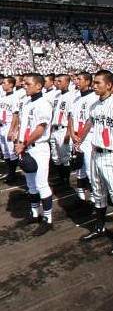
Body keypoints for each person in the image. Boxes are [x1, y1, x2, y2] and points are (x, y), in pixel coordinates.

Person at [78, 70, 113, 255]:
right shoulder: (94, 105)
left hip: (112, 154)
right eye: (94, 82)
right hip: (95, 153)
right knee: (98, 193)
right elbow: (89, 123)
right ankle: (99, 227)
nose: (95, 85)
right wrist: (79, 139)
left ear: (109, 85)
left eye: (98, 83)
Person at [15, 73, 54, 236]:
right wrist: (19, 142)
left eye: (28, 83)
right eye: (24, 83)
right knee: (30, 184)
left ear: (39, 86)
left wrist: (24, 143)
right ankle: (34, 213)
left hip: (38, 147)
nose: (25, 85)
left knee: (41, 184)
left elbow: (40, 128)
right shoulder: (27, 102)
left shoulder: (44, 103)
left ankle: (48, 219)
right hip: (26, 147)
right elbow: (24, 126)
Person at [68, 71, 98, 206]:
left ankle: (93, 197)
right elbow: (71, 117)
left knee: (90, 169)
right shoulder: (75, 98)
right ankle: (80, 194)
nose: (76, 81)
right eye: (76, 79)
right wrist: (73, 135)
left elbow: (90, 121)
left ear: (87, 81)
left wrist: (80, 137)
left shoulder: (93, 98)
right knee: (78, 167)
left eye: (79, 79)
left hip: (87, 137)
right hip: (76, 137)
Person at [51, 74, 72, 188]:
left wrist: (68, 133)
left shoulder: (70, 96)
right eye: (57, 81)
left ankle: (66, 180)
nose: (57, 83)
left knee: (65, 157)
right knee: (55, 157)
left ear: (67, 83)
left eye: (60, 81)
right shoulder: (57, 95)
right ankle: (61, 178)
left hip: (63, 129)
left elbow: (70, 116)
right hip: (54, 129)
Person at [0, 76, 18, 184]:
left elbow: (16, 115)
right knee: (5, 151)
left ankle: (13, 173)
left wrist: (12, 130)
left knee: (11, 152)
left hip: (8, 126)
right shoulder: (2, 97)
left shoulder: (15, 97)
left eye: (5, 83)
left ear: (11, 84)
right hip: (1, 126)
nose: (2, 84)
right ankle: (10, 171)